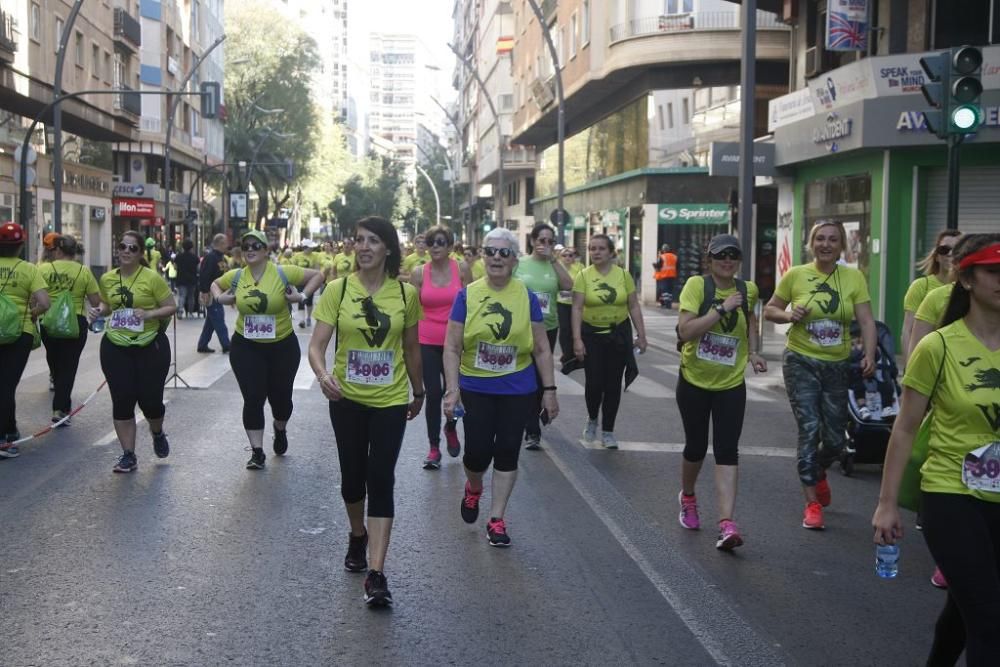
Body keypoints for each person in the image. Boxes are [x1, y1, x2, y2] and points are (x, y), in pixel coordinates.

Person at [872, 234, 1000, 667]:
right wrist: (886, 504)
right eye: (993, 272)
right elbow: (905, 429)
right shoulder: (939, 346)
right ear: (967, 279)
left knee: (966, 614)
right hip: (950, 494)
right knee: (989, 620)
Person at [307, 216, 424, 608]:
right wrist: (323, 376)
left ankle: (376, 573)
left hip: (390, 400)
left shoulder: (405, 295)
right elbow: (317, 345)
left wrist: (419, 390)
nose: (364, 247)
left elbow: (411, 349)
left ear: (388, 248)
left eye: (373, 241)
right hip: (348, 400)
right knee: (352, 479)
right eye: (359, 240)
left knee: (381, 477)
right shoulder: (338, 290)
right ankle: (357, 533)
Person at [442, 227, 559, 547]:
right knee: (477, 453)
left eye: (503, 252)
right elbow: (451, 346)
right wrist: (452, 389)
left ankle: (496, 518)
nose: (496, 257)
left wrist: (549, 390)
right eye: (490, 251)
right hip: (476, 385)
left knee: (508, 450)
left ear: (513, 259)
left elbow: (541, 347)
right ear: (483, 256)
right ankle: (474, 488)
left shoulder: (526, 296)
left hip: (518, 387)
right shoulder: (468, 295)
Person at [764, 221, 877, 530]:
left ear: (841, 246)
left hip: (838, 365)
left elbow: (866, 321)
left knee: (835, 439)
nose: (826, 244)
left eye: (832, 239)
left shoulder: (853, 277)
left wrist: (869, 354)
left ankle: (821, 468)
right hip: (801, 361)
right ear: (811, 243)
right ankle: (812, 502)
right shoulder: (796, 275)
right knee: (809, 428)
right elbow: (770, 309)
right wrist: (788, 315)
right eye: (820, 239)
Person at [675, 234, 767, 550]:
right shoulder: (697, 287)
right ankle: (687, 496)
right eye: (720, 255)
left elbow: (752, 323)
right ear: (709, 259)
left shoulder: (748, 289)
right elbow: (685, 332)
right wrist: (721, 309)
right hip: (694, 381)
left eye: (733, 255)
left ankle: (726, 523)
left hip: (730, 383)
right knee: (697, 447)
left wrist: (754, 351)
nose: (727, 260)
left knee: (727, 450)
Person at [211, 230, 324, 469]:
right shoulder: (237, 275)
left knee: (281, 400)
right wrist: (219, 298)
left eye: (255, 245)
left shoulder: (283, 272)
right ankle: (257, 451)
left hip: (282, 346)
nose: (249, 249)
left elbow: (318, 275)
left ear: (265, 250)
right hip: (246, 346)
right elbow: (214, 284)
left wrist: (301, 296)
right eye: (245, 246)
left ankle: (280, 428)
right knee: (253, 398)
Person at [90, 230, 177, 473]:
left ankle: (157, 432)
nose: (126, 251)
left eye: (132, 248)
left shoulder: (152, 278)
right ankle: (128, 454)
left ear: (140, 253)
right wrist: (99, 310)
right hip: (115, 345)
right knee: (122, 399)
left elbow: (171, 306)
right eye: (122, 246)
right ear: (117, 250)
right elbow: (108, 304)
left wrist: (148, 314)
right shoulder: (107, 278)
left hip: (150, 345)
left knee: (150, 402)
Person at [570, 234, 648, 450]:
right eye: (592, 248)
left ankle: (608, 431)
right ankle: (593, 418)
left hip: (618, 335)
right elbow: (576, 308)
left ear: (611, 252)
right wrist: (577, 340)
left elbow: (633, 305)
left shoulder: (623, 275)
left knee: (613, 385)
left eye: (601, 248)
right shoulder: (583, 276)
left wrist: (641, 334)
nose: (596, 252)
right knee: (594, 383)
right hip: (591, 335)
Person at [411, 224, 467, 469]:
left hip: (455, 343)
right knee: (433, 393)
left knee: (455, 391)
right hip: (427, 340)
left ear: (450, 247)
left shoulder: (461, 269)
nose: (434, 246)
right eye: (430, 242)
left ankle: (451, 427)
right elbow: (412, 311)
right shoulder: (418, 273)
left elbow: (472, 303)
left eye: (440, 242)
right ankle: (434, 448)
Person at [514, 223, 573, 450]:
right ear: (532, 241)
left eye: (550, 241)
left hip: (547, 327)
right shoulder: (519, 263)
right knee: (527, 376)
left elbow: (569, 285)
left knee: (540, 378)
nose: (545, 245)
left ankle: (535, 418)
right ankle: (532, 430)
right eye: (541, 240)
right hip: (522, 327)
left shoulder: (553, 265)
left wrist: (554, 260)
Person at [38, 234, 101, 425]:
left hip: (49, 322)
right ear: (75, 252)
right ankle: (60, 408)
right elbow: (95, 301)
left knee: (55, 361)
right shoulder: (83, 271)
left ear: (57, 250)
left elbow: (35, 298)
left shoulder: (44, 269)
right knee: (69, 365)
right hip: (76, 322)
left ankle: (62, 405)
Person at [0, 222, 50, 457]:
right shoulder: (29, 269)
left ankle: (9, 431)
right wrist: (32, 314)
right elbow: (44, 303)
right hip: (20, 333)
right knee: (7, 385)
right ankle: (5, 437)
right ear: (20, 247)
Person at [902, 230, 961, 365]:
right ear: (936, 256)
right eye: (944, 249)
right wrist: (910, 367)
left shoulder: (970, 288)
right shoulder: (921, 286)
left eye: (956, 249)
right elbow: (908, 331)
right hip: (929, 361)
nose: (950, 254)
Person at [197, 233, 232, 353]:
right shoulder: (211, 257)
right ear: (220, 243)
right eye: (226, 242)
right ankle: (227, 345)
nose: (227, 245)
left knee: (211, 322)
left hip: (220, 292)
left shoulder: (221, 257)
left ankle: (202, 344)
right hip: (212, 293)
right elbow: (204, 275)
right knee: (218, 318)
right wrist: (205, 291)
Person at [556, 245, 584, 365]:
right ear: (560, 257)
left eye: (570, 255)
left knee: (576, 329)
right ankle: (566, 354)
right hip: (562, 303)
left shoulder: (580, 267)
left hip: (576, 303)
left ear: (574, 257)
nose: (567, 257)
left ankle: (576, 353)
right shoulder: (557, 267)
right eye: (564, 255)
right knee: (565, 329)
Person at [294, 240, 322, 328]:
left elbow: (317, 269)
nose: (311, 249)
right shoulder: (297, 256)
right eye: (309, 247)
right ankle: (302, 320)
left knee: (309, 301)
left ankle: (309, 317)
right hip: (299, 281)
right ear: (305, 248)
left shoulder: (315, 256)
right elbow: (293, 268)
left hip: (310, 282)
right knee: (300, 299)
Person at [174, 239, 199, 319]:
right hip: (192, 279)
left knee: (182, 296)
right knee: (191, 296)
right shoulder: (195, 257)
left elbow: (175, 267)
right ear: (191, 247)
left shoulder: (179, 256)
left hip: (181, 279)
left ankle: (180, 311)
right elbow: (198, 268)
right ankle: (190, 312)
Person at [653, 243, 678, 309]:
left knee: (665, 291)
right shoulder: (674, 256)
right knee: (670, 291)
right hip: (672, 276)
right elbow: (678, 266)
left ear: (663, 250)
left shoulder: (662, 257)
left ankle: (667, 305)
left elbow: (659, 266)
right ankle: (669, 303)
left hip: (664, 276)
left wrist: (654, 265)